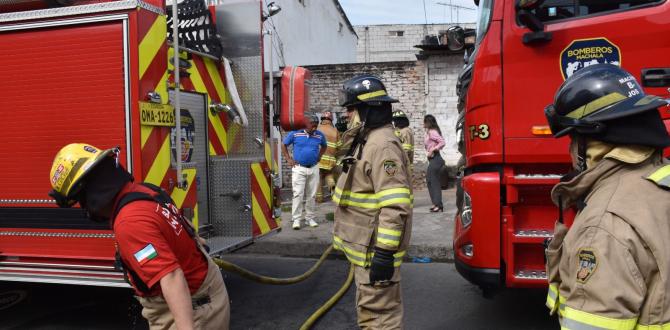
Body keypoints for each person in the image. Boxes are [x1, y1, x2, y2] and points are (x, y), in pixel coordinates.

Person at [48, 143, 230, 330]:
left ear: (90, 192)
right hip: (206, 295)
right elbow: (189, 229)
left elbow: (172, 276)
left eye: (81, 200)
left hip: (194, 312)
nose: (85, 208)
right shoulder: (145, 191)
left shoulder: (129, 222)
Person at [543, 64, 670, 329]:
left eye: (573, 140)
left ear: (591, 143)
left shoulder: (603, 226)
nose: (570, 150)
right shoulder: (661, 179)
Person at [334, 74, 412, 329]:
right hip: (366, 247)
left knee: (380, 319)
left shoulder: (381, 146)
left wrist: (383, 253)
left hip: (373, 250)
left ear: (367, 110)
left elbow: (395, 203)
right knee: (371, 313)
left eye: (351, 109)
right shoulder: (369, 139)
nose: (347, 115)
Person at [281, 113, 327, 229]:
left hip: (313, 168)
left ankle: (309, 218)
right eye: (313, 125)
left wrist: (319, 156)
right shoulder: (295, 133)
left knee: (311, 195)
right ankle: (296, 219)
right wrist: (288, 159)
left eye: (316, 125)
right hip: (299, 168)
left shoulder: (319, 135)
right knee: (298, 194)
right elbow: (284, 145)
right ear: (306, 124)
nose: (315, 128)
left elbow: (324, 146)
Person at [315, 111, 340, 203]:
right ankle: (334, 195)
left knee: (319, 178)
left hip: (319, 159)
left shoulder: (317, 129)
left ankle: (319, 198)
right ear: (331, 120)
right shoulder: (335, 131)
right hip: (330, 160)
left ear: (322, 119)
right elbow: (339, 146)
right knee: (329, 176)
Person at [423, 114, 445, 212]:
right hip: (432, 160)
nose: (422, 123)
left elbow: (442, 142)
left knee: (434, 182)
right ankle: (435, 203)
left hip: (436, 159)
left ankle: (438, 205)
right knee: (429, 181)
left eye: (424, 121)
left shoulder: (432, 132)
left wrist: (433, 150)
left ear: (428, 122)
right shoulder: (428, 132)